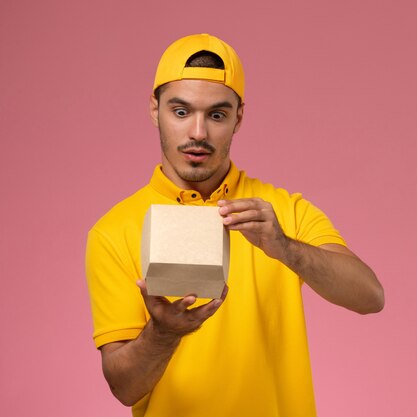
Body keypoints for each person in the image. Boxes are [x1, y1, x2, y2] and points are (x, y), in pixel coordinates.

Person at [85, 33, 384, 417]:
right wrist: (164, 333)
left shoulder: (281, 211)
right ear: (154, 109)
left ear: (238, 118)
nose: (198, 132)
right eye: (181, 111)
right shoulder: (113, 231)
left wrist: (287, 248)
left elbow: (370, 297)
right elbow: (124, 388)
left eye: (217, 115)